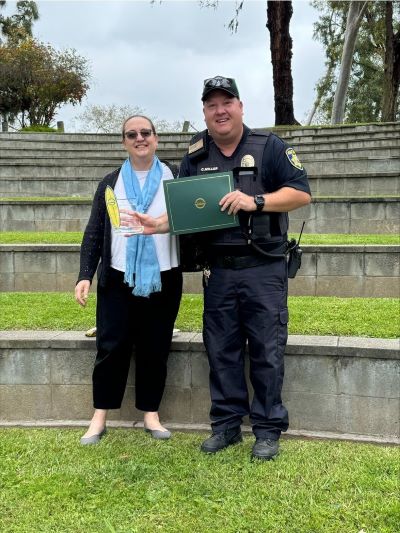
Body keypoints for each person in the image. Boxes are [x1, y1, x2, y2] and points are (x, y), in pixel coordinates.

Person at [128, 76, 311, 460]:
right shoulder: (195, 156)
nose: (219, 111)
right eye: (211, 105)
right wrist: (157, 224)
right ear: (205, 112)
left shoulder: (270, 148)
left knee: (266, 349)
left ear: (240, 106)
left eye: (226, 102)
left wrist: (255, 201)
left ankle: (266, 428)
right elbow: (184, 212)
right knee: (222, 350)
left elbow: (300, 193)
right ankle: (227, 425)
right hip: (218, 272)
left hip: (263, 266)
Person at [75, 115, 182, 445]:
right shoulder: (110, 182)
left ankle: (151, 414)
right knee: (111, 346)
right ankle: (99, 417)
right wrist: (85, 276)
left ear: (156, 138)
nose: (139, 138)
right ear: (124, 142)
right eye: (131, 134)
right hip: (118, 277)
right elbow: (95, 230)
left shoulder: (175, 177)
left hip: (163, 276)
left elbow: (192, 216)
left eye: (145, 133)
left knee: (155, 346)